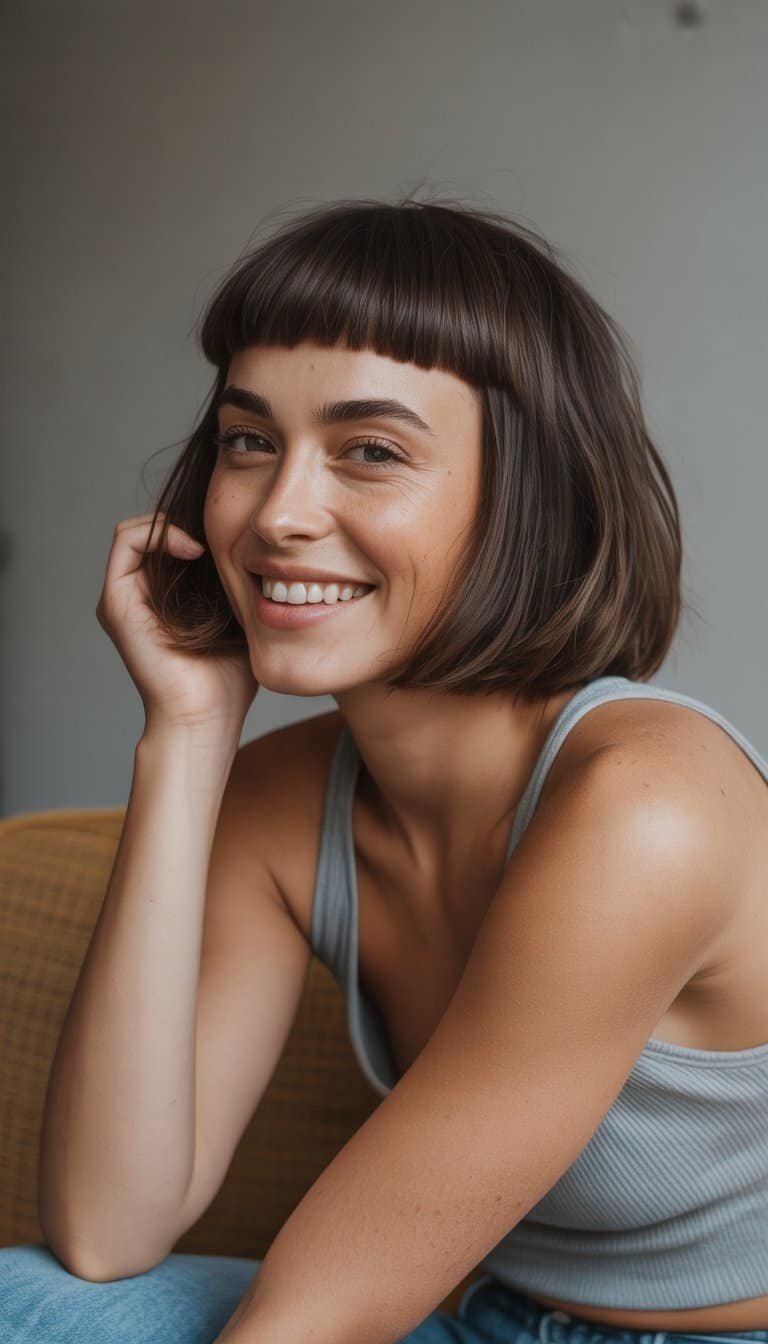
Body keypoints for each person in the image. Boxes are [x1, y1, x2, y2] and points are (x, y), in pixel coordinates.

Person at [3, 197, 767, 1344]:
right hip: (490, 1326)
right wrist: (187, 737)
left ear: (527, 494)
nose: (277, 515)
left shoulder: (646, 805)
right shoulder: (282, 801)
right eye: (251, 442)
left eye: (369, 452)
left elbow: (316, 1318)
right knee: (28, 1298)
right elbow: (112, 1228)